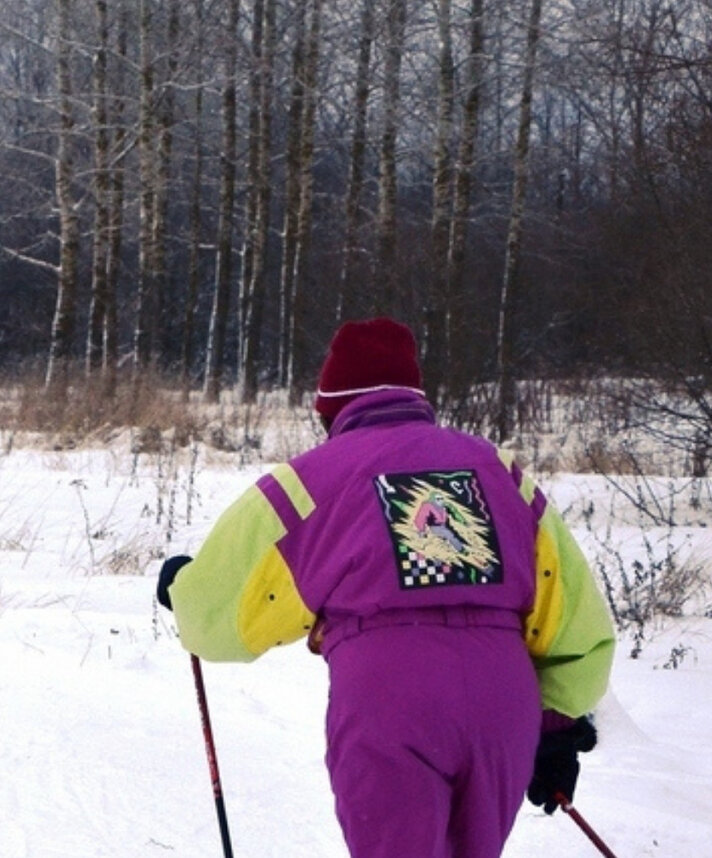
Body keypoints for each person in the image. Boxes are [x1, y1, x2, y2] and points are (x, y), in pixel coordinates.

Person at [156, 318, 615, 858]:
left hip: (390, 701)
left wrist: (183, 590)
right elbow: (574, 619)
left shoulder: (309, 482)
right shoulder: (502, 473)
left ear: (330, 410)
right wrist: (556, 725)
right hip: (502, 701)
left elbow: (218, 621)